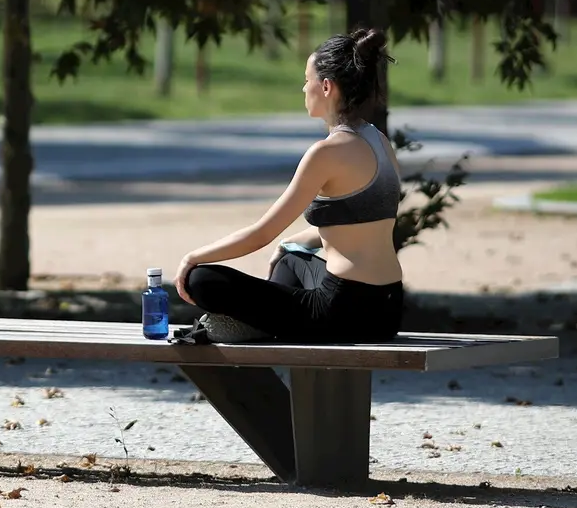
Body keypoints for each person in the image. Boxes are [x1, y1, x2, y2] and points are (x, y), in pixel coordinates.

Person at [173, 28, 405, 344]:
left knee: (202, 279)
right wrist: (290, 243)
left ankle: (253, 324)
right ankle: (260, 322)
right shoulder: (379, 141)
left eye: (307, 79)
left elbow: (260, 234)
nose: (303, 87)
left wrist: (193, 258)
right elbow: (367, 224)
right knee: (291, 258)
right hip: (388, 309)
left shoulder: (326, 153)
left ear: (326, 87)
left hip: (340, 312)